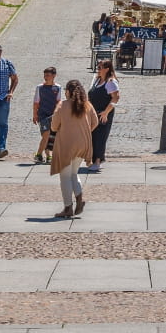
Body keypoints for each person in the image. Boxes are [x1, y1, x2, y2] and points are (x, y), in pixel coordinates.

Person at [50, 79, 98, 217]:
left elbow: (53, 126)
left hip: (66, 144)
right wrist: (84, 131)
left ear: (68, 92)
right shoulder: (87, 105)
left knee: (64, 177)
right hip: (83, 144)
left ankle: (68, 208)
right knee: (73, 174)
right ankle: (79, 199)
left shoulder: (62, 105)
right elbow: (95, 122)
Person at [87, 59, 120, 172]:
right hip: (93, 113)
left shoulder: (110, 82)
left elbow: (115, 98)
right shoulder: (97, 80)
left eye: (100, 67)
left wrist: (106, 112)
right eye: (98, 67)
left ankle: (98, 161)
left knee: (100, 137)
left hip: (103, 113)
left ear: (107, 69)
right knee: (92, 136)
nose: (98, 69)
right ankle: (93, 160)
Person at [32, 66, 61, 162]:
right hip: (42, 115)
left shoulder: (57, 88)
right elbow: (36, 102)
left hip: (53, 115)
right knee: (46, 135)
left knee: (49, 136)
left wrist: (57, 114)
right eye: (45, 75)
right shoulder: (39, 87)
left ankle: (48, 155)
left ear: (54, 76)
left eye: (48, 75)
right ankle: (39, 155)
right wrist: (35, 115)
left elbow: (58, 102)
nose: (45, 77)